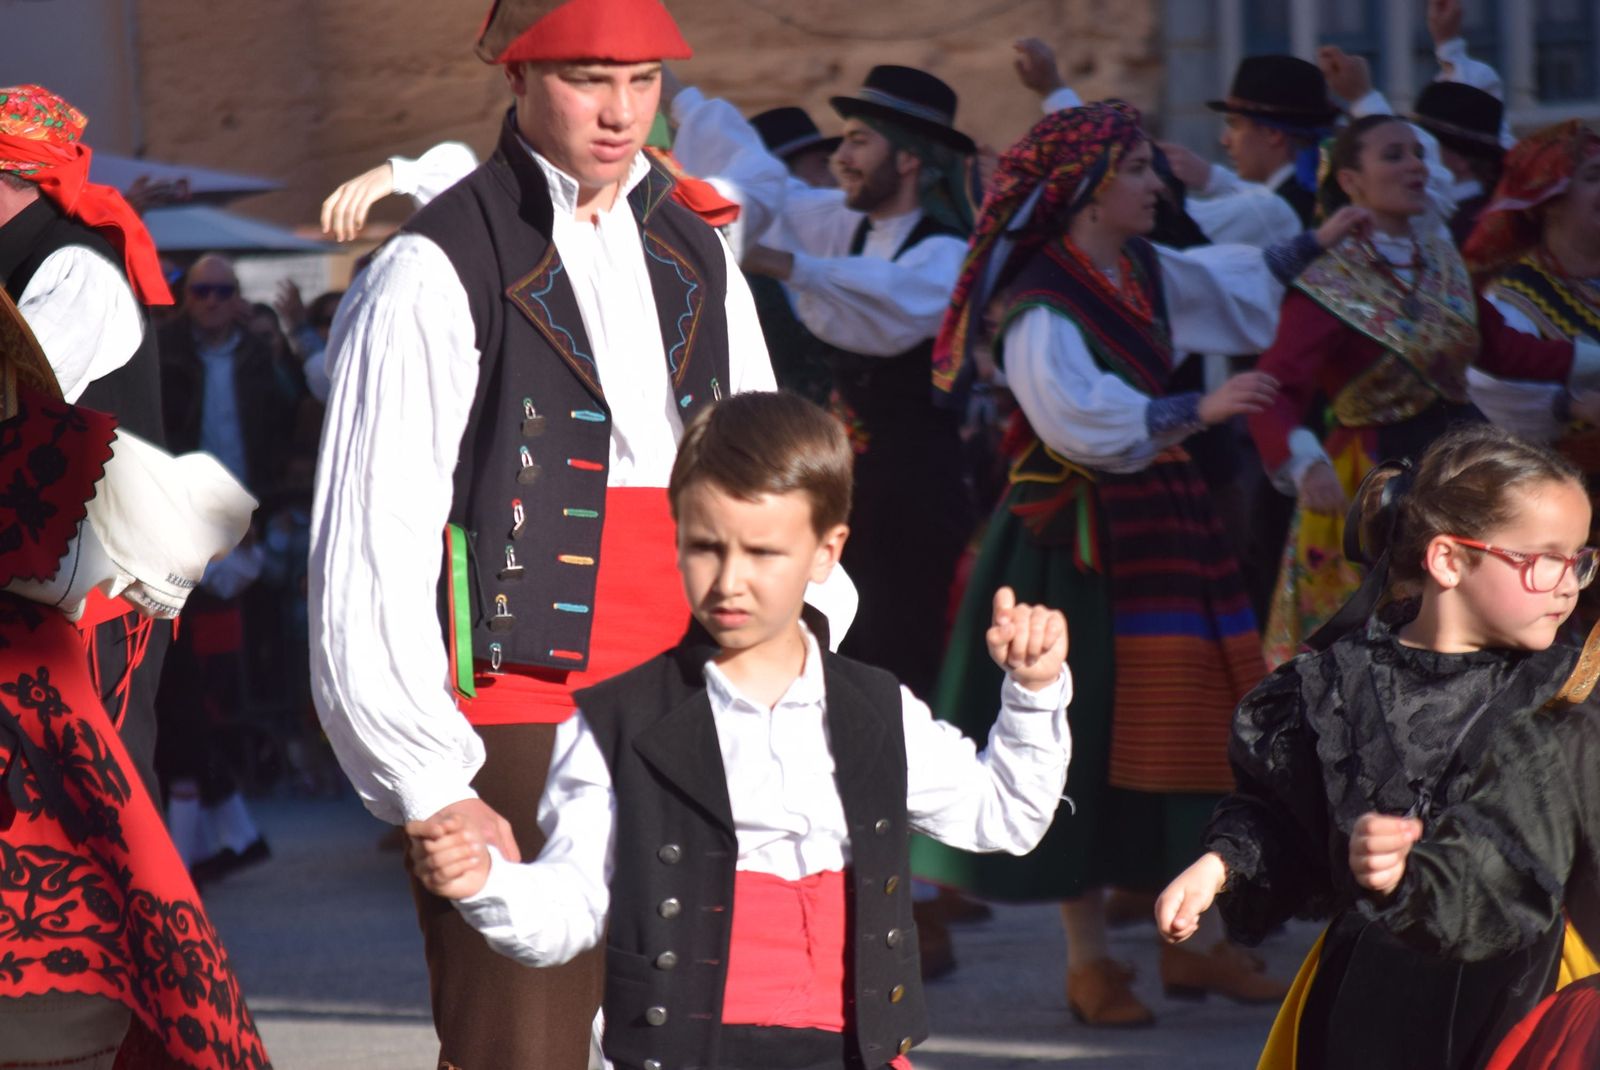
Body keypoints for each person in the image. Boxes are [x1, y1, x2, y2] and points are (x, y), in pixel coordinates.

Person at [308, 2, 785, 1066]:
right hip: (516, 715)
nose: (619, 113)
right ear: (516, 79)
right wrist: (432, 783)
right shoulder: (432, 269)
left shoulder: (699, 247)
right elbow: (368, 553)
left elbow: (760, 484)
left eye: (642, 81)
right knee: (522, 1048)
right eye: (586, 79)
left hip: (694, 700)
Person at [407, 391, 1074, 1070]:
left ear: (825, 551)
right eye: (705, 547)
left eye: (763, 553)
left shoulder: (875, 709)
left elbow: (1006, 818)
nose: (730, 581)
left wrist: (1034, 693)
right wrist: (488, 883)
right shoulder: (618, 723)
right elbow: (572, 906)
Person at [912, 100, 1366, 1026]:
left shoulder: (1142, 268)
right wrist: (1194, 414)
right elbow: (1076, 419)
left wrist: (1323, 236)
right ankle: (1089, 965)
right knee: (1082, 733)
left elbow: (1229, 284)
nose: (1158, 186)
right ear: (1088, 192)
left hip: (1158, 518)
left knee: (1186, 721)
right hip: (1071, 536)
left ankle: (1194, 946)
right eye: (1139, 172)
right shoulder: (1045, 299)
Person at [1157, 424, 1600, 1069]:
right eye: (1545, 559)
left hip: (1529, 987)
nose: (1569, 583)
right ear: (1448, 559)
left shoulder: (1572, 690)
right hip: (1372, 991)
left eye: (1581, 559)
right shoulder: (1334, 685)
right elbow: (1282, 813)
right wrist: (1218, 867)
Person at [0, 289, 265, 1068]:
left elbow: (213, 515)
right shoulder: (72, 453)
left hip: (53, 876)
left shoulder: (70, 453)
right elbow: (211, 517)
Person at [1248, 114, 1600, 666]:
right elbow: (1274, 388)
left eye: (1418, 153)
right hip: (1373, 474)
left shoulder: (1442, 263)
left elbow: (1504, 349)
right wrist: (1301, 461)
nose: (1414, 165)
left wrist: (1591, 360)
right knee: (1377, 633)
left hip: (1460, 460)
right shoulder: (1329, 282)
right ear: (1351, 182)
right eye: (1393, 155)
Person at [680, 63, 979, 702]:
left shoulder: (944, 250)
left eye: (858, 142)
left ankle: (904, 785)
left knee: (902, 642)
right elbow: (764, 185)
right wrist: (683, 98)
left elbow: (890, 297)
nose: (841, 156)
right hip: (847, 479)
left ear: (907, 160)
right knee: (842, 634)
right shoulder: (846, 222)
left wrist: (782, 263)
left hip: (914, 487)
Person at [0, 84, 175, 800]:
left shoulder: (74, 267)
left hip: (98, 592)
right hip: (42, 586)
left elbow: (18, 396)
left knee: (104, 796)